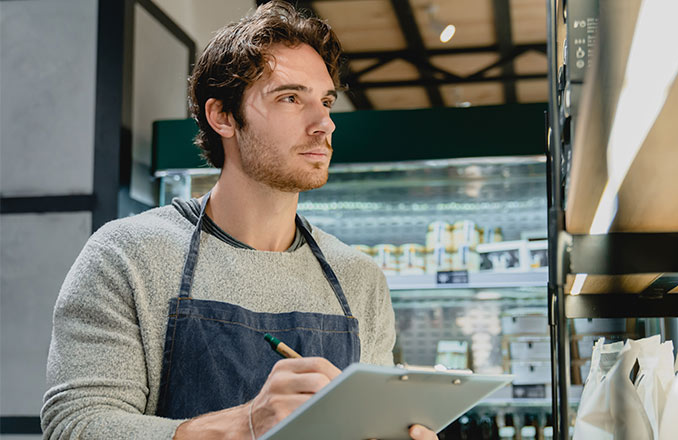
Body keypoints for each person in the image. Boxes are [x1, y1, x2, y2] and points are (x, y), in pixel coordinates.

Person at [41, 2, 438, 439]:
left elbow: (365, 427)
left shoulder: (359, 278)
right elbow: (76, 425)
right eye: (290, 98)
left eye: (325, 101)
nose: (324, 123)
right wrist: (244, 424)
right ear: (223, 116)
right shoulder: (127, 254)